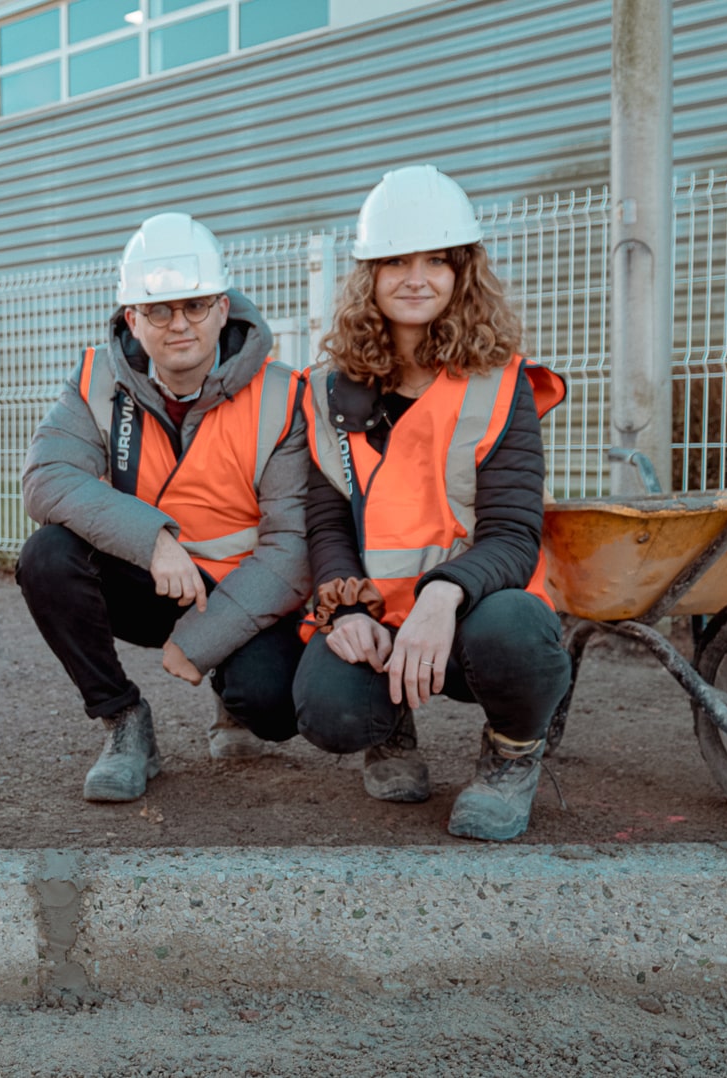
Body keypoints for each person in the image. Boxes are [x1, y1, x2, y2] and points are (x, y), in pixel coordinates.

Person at [292, 165, 571, 842]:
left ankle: (512, 753)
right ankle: (389, 735)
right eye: (395, 261)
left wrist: (440, 598)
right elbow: (328, 521)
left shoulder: (499, 383)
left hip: (476, 610)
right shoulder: (326, 389)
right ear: (369, 275)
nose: (416, 278)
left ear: (462, 273)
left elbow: (512, 535)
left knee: (515, 636)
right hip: (383, 613)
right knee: (327, 711)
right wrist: (347, 606)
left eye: (436, 261)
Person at [18, 212, 311, 803]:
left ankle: (234, 704)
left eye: (196, 305)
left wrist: (202, 639)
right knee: (47, 557)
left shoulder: (283, 395)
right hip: (149, 576)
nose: (179, 324)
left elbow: (293, 549)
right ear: (132, 317)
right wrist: (154, 539)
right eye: (158, 310)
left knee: (274, 706)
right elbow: (46, 478)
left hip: (243, 588)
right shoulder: (96, 381)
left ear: (223, 308)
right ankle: (125, 722)